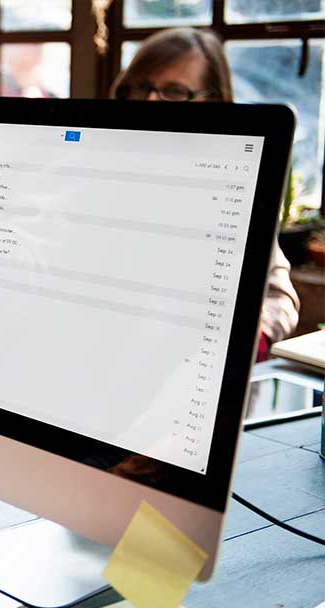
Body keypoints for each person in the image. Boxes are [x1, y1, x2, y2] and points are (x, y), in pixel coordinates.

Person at [111, 27, 300, 359]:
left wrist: (251, 338)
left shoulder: (232, 190)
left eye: (173, 91)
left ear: (214, 101)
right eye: (141, 88)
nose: (151, 102)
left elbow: (279, 298)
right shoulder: (87, 170)